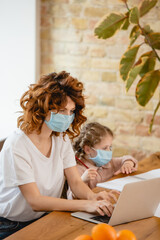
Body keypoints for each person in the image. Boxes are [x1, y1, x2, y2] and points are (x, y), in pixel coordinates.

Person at [0, 71, 117, 239]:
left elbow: (75, 181)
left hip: (45, 217)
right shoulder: (17, 144)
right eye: (62, 111)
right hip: (10, 226)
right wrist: (86, 205)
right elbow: (35, 201)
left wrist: (93, 196)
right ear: (42, 107)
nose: (67, 117)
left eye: (71, 111)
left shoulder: (61, 139)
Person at [67, 122, 138, 199]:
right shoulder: (78, 169)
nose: (108, 151)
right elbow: (71, 197)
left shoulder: (108, 162)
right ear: (87, 149)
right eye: (104, 148)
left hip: (111, 200)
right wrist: (82, 181)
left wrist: (128, 163)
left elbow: (127, 158)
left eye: (110, 147)